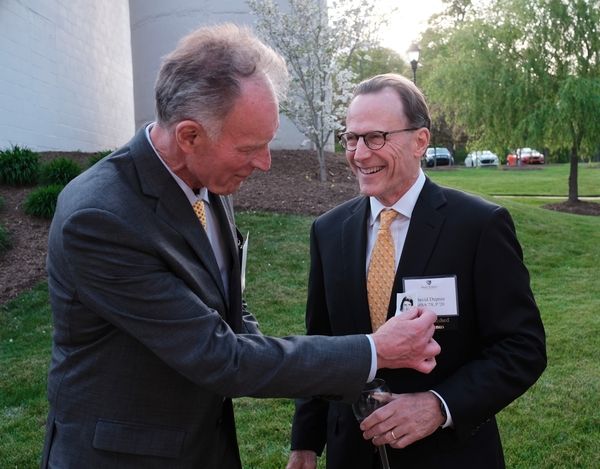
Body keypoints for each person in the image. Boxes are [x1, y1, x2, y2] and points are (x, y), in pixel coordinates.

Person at [40, 26, 442, 469]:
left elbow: (230, 312)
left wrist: (350, 385)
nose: (265, 163)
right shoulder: (100, 219)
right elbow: (219, 355)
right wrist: (373, 350)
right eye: (252, 147)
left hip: (204, 446)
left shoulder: (208, 181)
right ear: (190, 136)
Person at [287, 74, 546, 469]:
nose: (359, 154)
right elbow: (322, 341)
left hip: (448, 455)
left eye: (375, 137)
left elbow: (522, 347)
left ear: (420, 141)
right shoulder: (328, 230)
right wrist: (305, 444)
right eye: (351, 138)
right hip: (351, 455)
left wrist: (439, 406)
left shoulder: (477, 226)